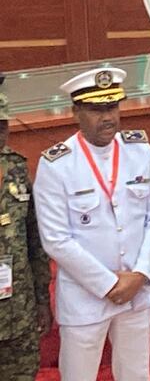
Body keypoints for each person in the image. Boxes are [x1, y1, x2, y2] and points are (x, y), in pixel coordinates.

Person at [33, 67, 150, 381]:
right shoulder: (57, 164)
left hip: (136, 291)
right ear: (76, 112)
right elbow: (55, 239)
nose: (107, 117)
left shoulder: (140, 151)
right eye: (96, 110)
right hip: (85, 297)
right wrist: (108, 285)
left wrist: (140, 274)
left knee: (136, 374)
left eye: (112, 107)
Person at [0, 74, 52, 381]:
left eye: (3, 125)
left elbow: (35, 240)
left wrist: (42, 299)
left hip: (18, 314)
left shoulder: (16, 168)